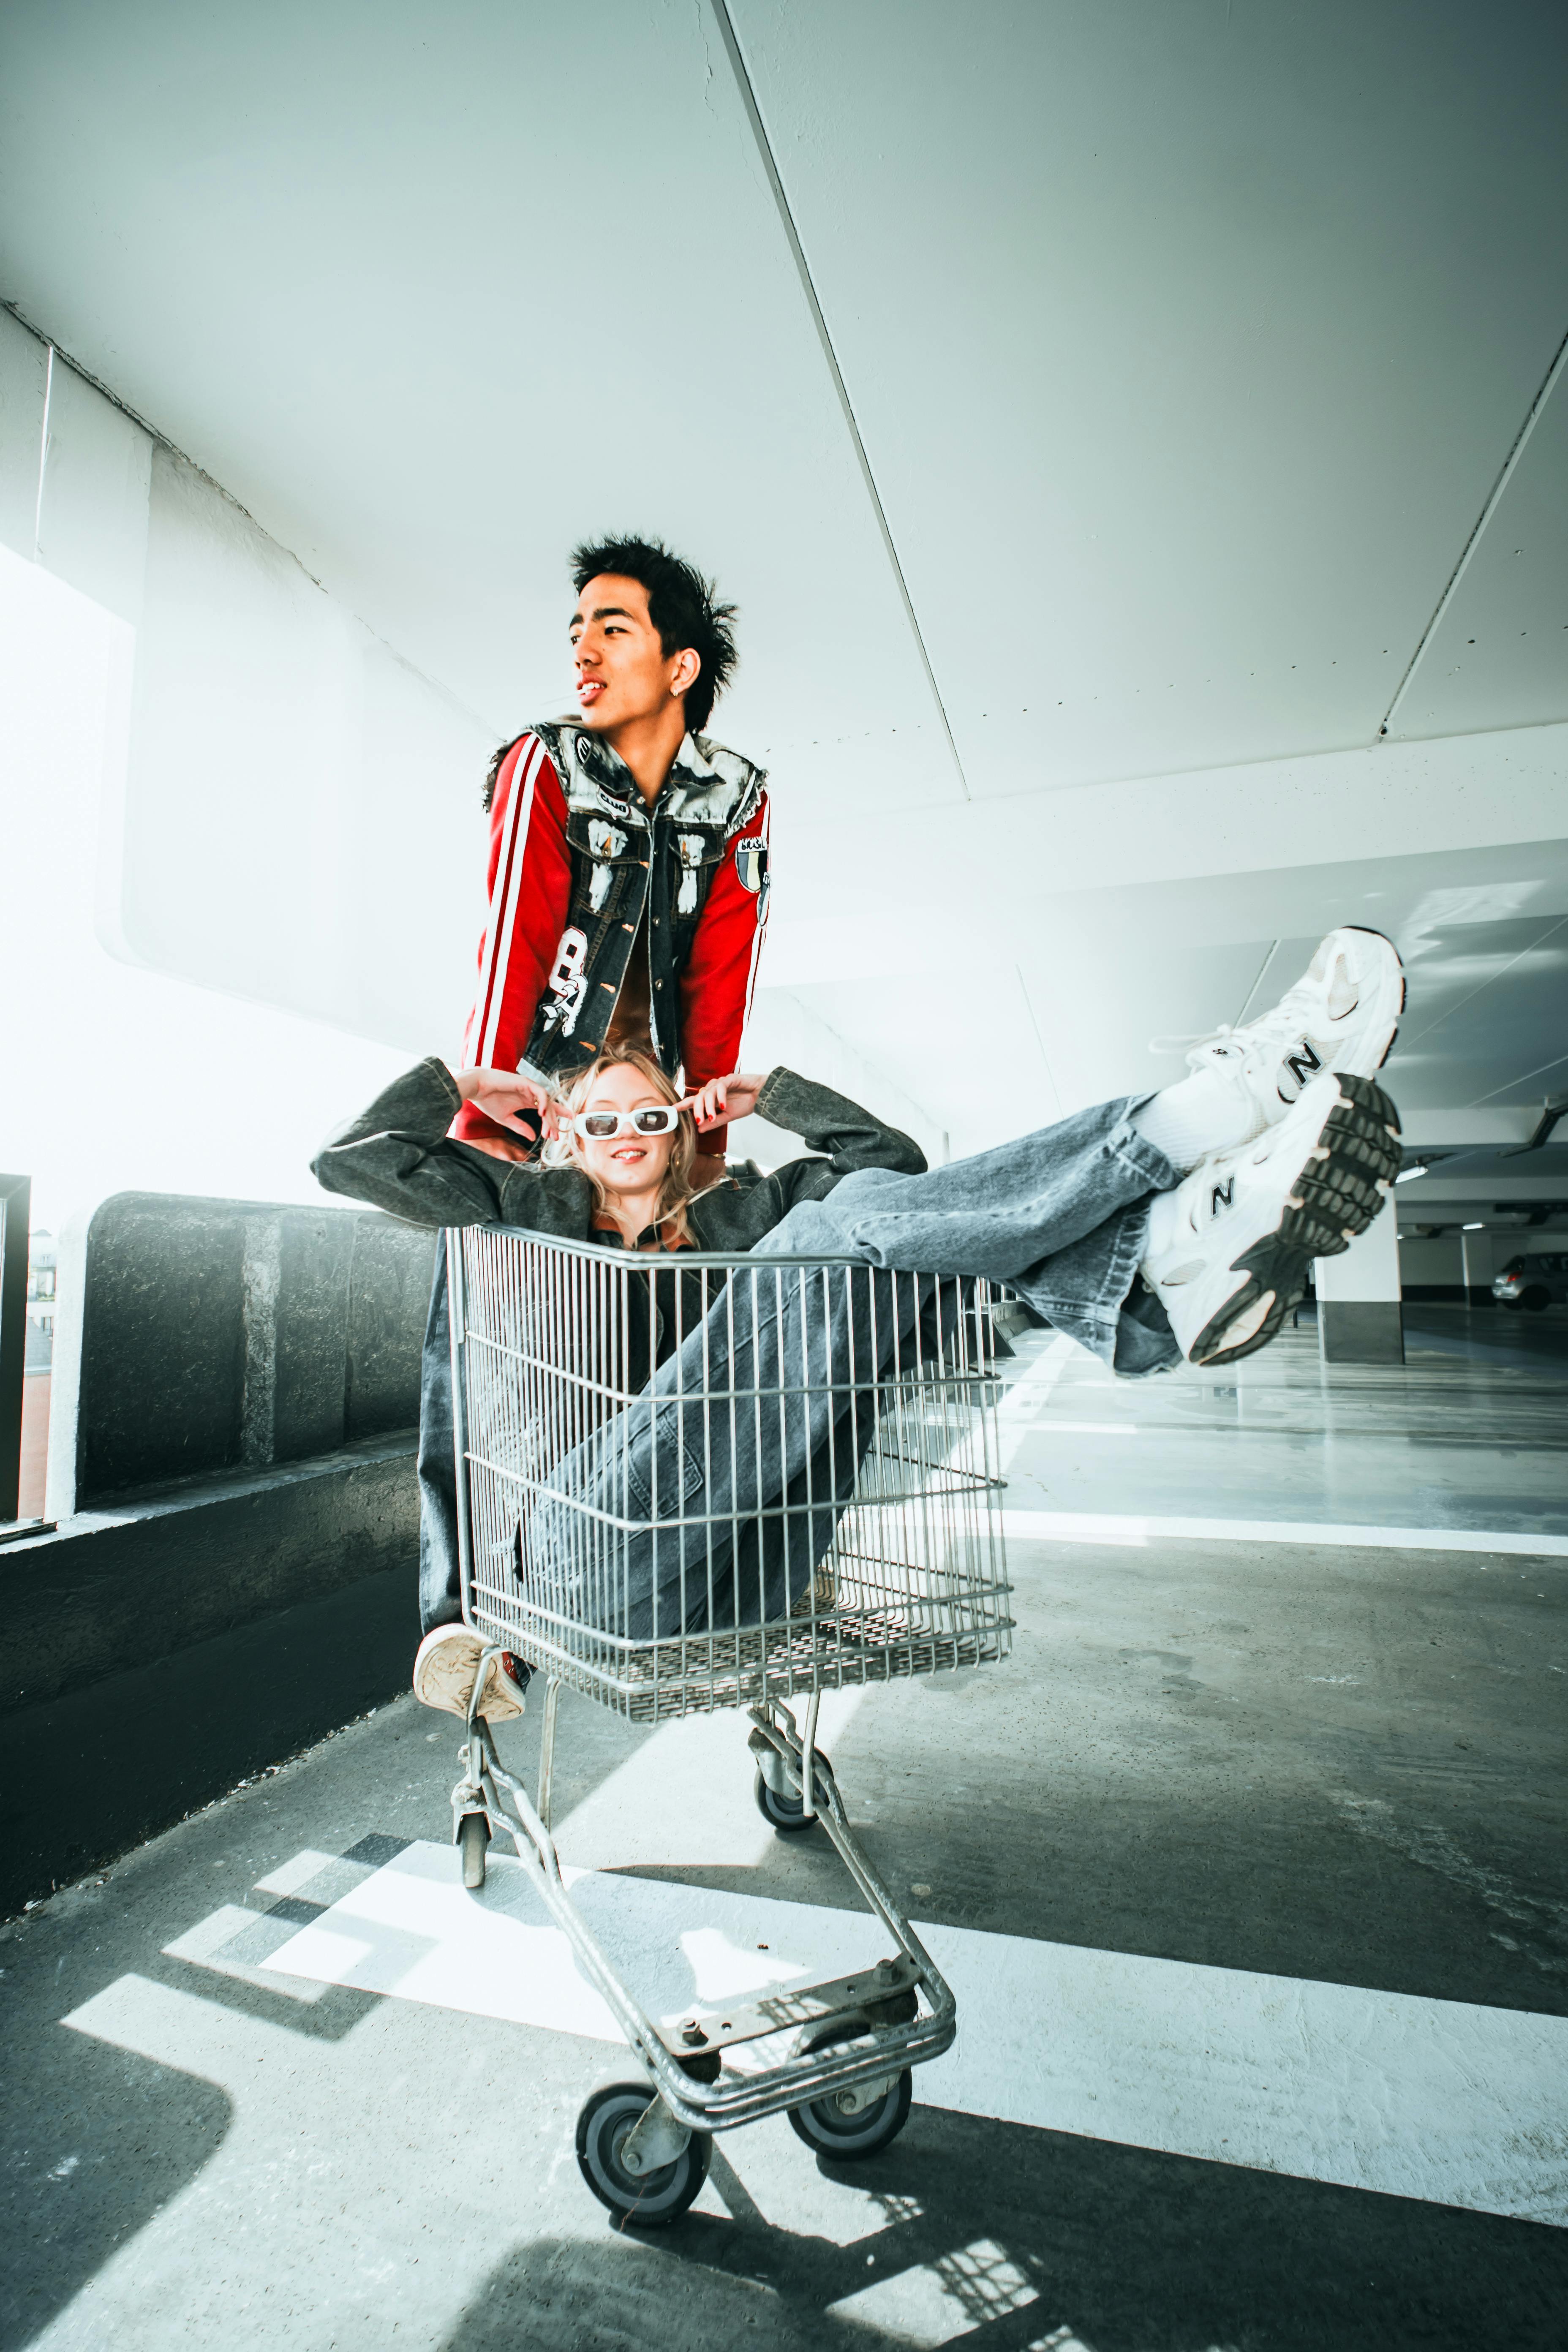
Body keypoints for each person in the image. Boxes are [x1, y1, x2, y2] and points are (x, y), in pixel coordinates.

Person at [313, 926, 1405, 1712]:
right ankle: (1177, 1169)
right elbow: (353, 1164)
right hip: (582, 1565)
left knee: (867, 1228)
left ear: (682, 1130)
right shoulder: (525, 1218)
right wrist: (459, 1080)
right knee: (830, 1237)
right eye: (601, 1122)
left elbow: (898, 1178)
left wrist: (776, 1095)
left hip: (747, 1573)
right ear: (570, 1144)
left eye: (651, 1113)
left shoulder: (744, 1215)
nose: (628, 1134)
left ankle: (1169, 1257)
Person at [456, 535, 770, 1180]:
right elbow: (517, 938)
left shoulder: (739, 798)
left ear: (680, 669)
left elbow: (721, 981)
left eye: (613, 629)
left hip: (653, 1116)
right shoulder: (545, 763)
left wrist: (708, 1147)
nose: (584, 652)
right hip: (540, 1105)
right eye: (577, 635)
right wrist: (489, 1129)